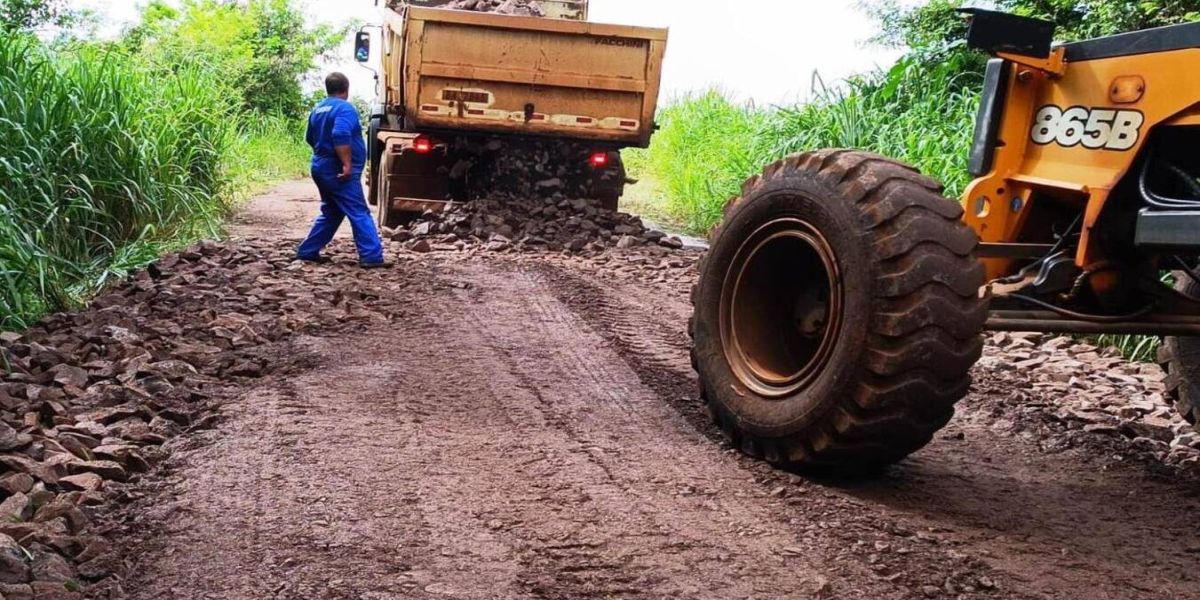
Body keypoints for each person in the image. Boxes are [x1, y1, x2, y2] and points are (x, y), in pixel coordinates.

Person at [296, 72, 388, 268]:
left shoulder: (318, 108)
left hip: (321, 165)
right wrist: (346, 163)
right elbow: (340, 133)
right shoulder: (345, 108)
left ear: (327, 89)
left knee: (332, 211)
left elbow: (309, 138)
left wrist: (323, 154)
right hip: (337, 169)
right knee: (359, 211)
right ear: (346, 89)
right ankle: (372, 256)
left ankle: (307, 251)